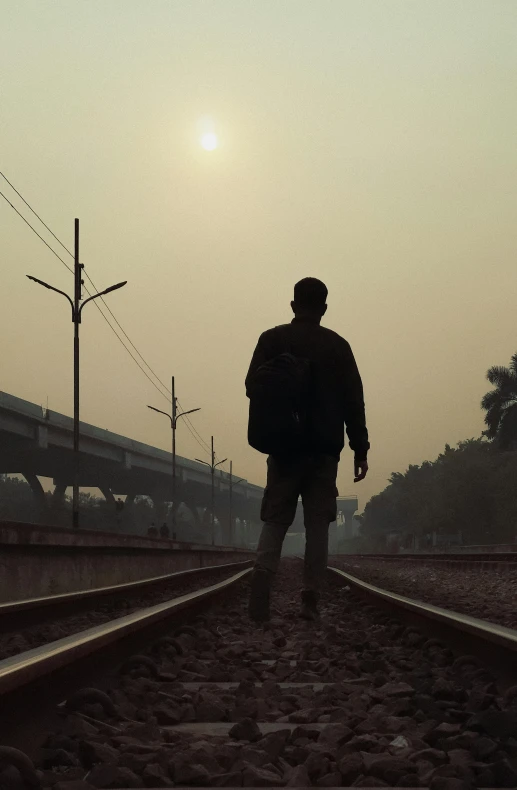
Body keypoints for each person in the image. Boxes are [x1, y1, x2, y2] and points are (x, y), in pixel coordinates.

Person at [245, 277, 369, 622]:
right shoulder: (338, 347)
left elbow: (250, 386)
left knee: (275, 519)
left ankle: (262, 578)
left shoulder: (272, 339)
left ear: (293, 305)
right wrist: (361, 450)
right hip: (323, 453)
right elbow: (353, 402)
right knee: (317, 525)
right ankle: (310, 600)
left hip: (283, 449)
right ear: (324, 308)